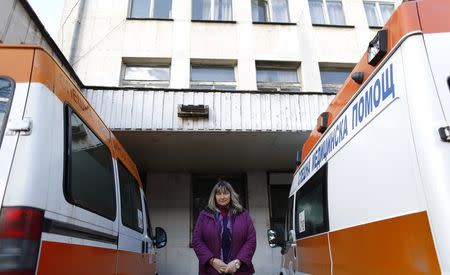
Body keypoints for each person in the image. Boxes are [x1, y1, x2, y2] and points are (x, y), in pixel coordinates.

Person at [192, 180, 257, 275]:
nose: (222, 197)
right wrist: (211, 261)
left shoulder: (243, 214)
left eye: (226, 193)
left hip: (239, 270)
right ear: (214, 196)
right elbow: (197, 240)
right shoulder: (204, 214)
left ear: (231, 195)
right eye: (218, 194)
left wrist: (237, 262)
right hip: (211, 270)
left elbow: (251, 240)